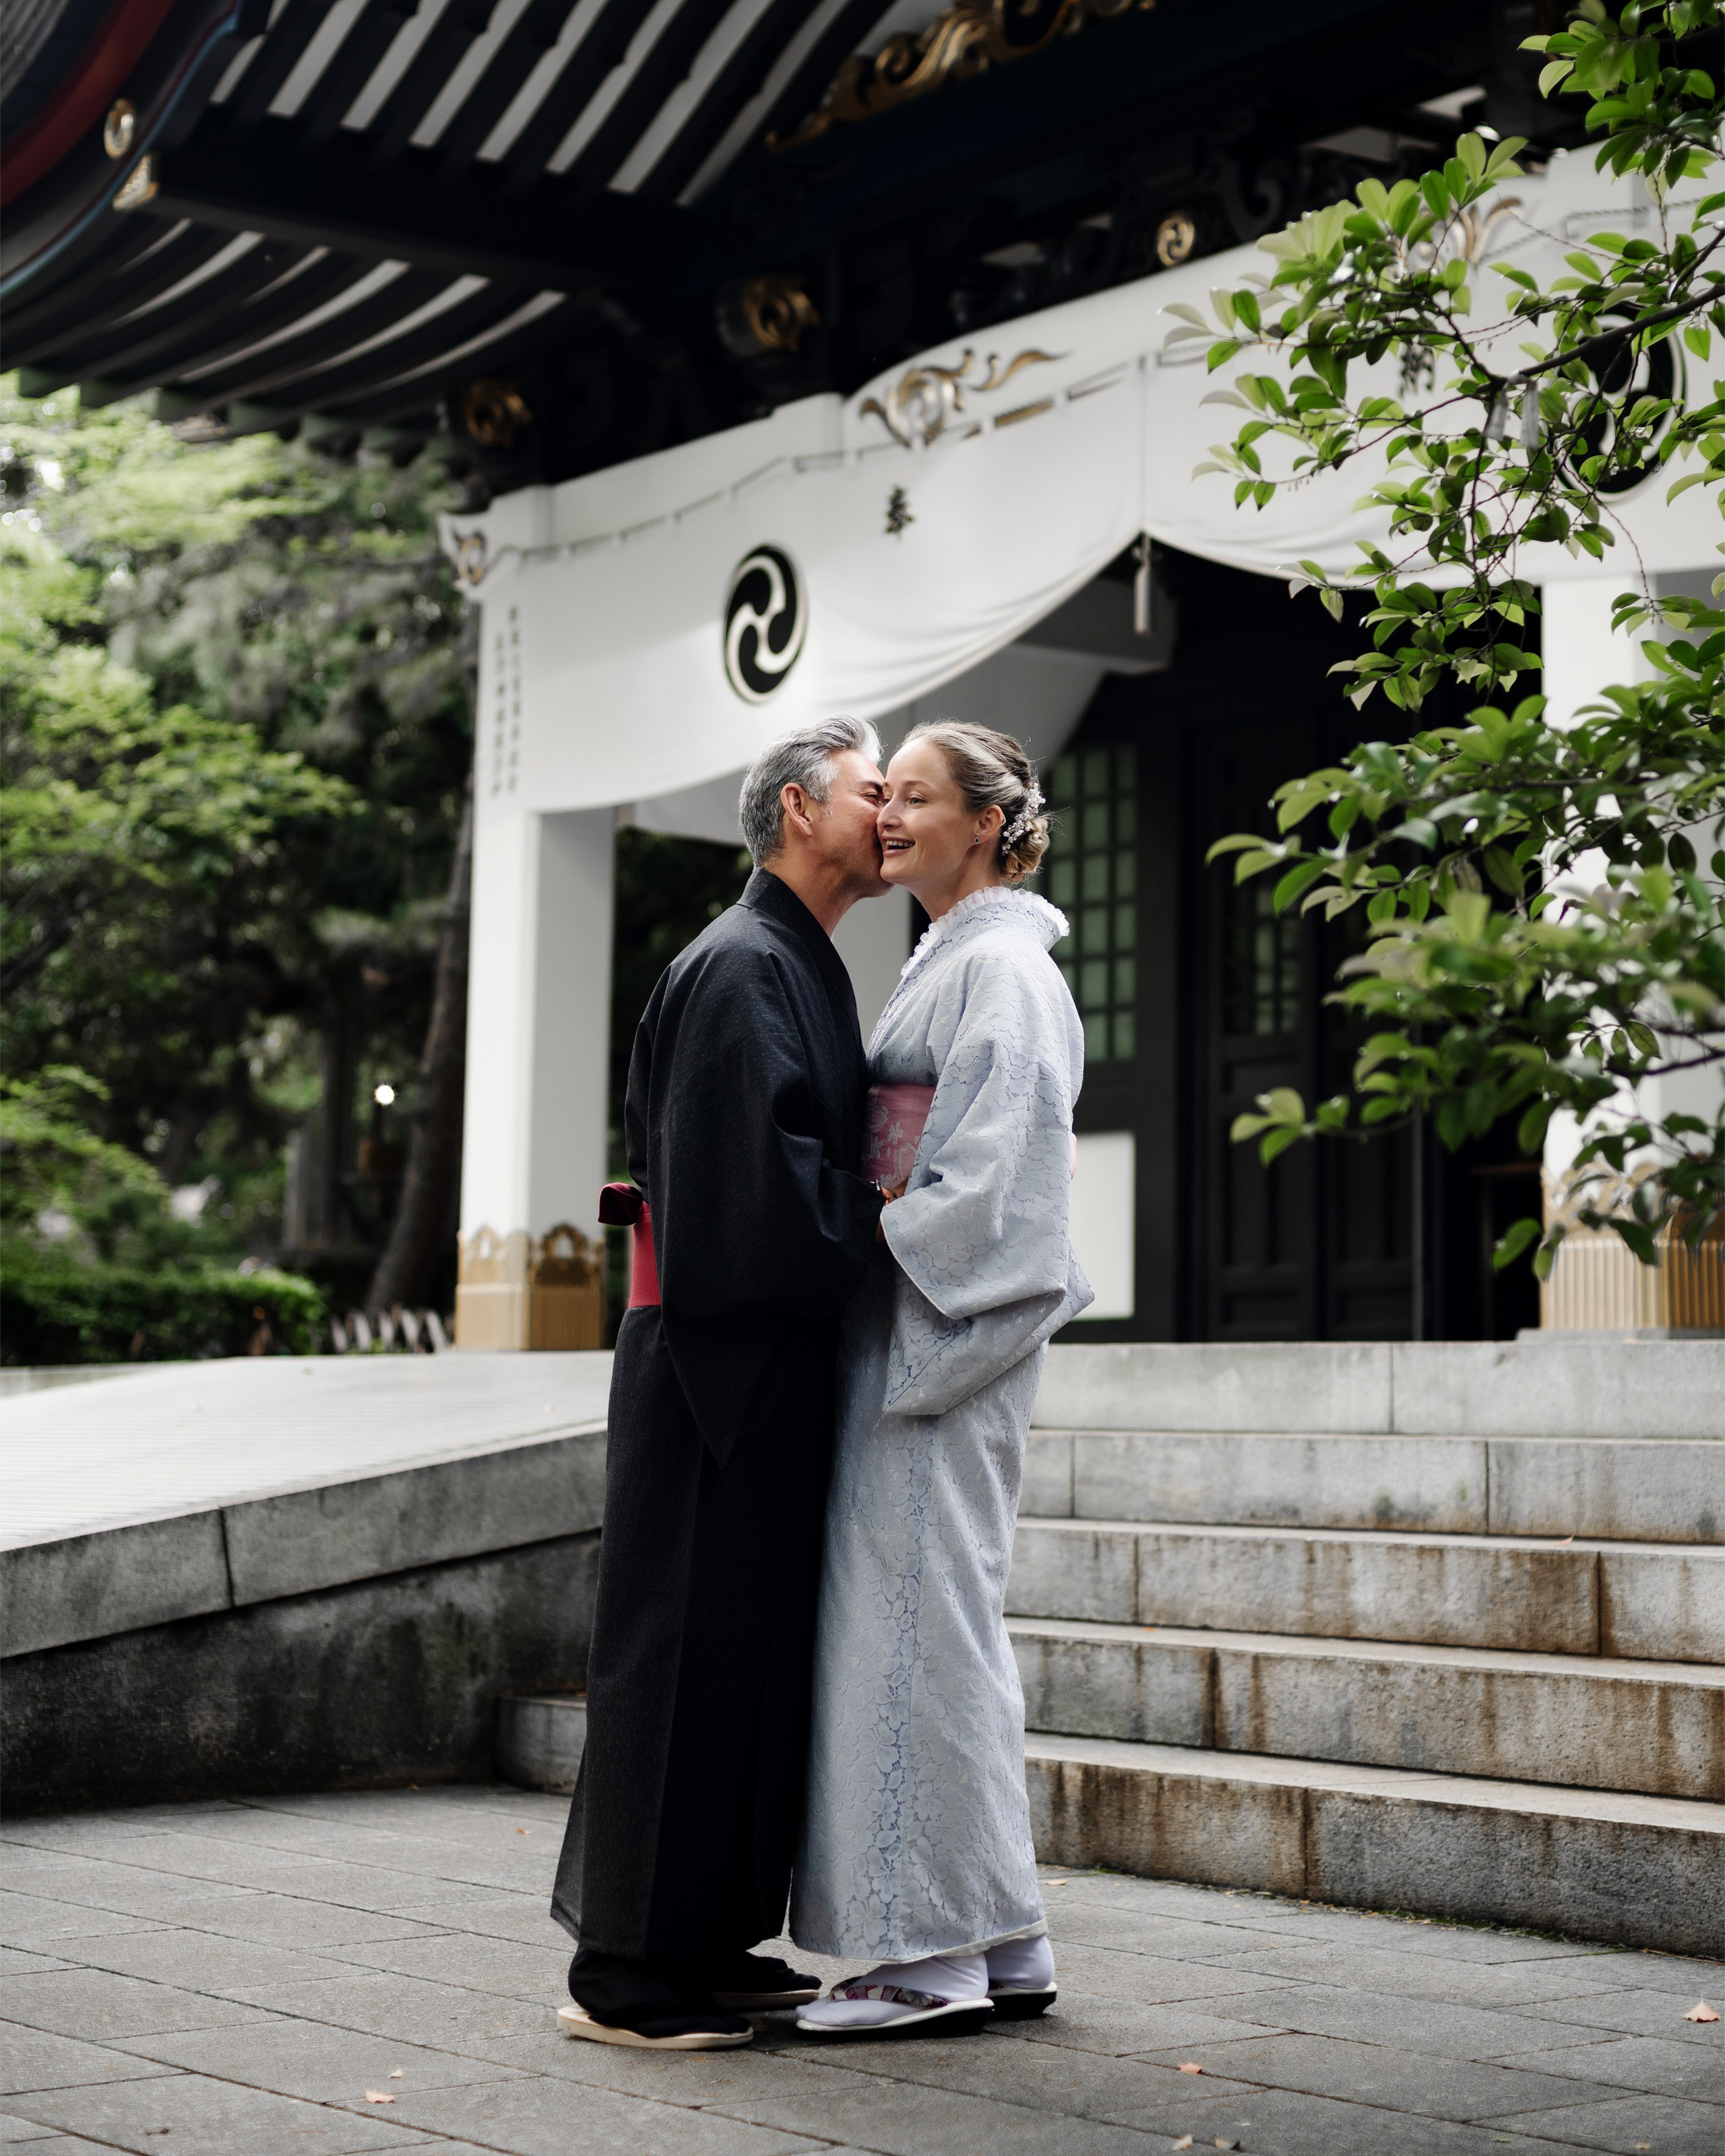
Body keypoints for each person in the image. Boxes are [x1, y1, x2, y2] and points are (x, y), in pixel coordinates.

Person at [552, 716, 892, 2050]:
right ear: (802, 811)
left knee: (743, 1662)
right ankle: (621, 1971)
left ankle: (704, 1935)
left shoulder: (788, 960)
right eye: (873, 790)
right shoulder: (743, 966)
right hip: (710, 1368)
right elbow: (750, 1198)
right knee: (680, 1656)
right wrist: (886, 1208)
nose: (889, 811)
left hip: (759, 1364)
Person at [791, 719, 1092, 2037]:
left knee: (911, 1634)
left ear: (986, 822)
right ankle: (1002, 1934)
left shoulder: (1004, 977)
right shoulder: (951, 962)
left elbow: (990, 1185)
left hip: (934, 1334)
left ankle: (924, 1956)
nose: (893, 815)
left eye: (917, 797)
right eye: (886, 796)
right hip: (915, 1324)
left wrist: (854, 1235)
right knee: (939, 1628)